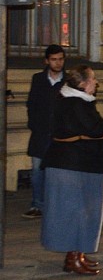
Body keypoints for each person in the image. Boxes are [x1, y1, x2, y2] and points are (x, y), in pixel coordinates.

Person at [40, 66, 103, 275]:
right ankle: (73, 258)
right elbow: (93, 129)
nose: (96, 83)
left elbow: (86, 128)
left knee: (82, 211)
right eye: (93, 79)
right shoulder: (75, 103)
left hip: (78, 164)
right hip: (75, 166)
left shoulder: (72, 100)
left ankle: (76, 256)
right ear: (82, 83)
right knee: (77, 212)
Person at [24, 44, 66, 219]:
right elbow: (32, 104)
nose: (58, 63)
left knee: (58, 172)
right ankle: (37, 204)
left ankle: (55, 206)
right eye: (54, 60)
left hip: (61, 135)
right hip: (40, 134)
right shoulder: (39, 79)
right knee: (37, 171)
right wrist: (34, 125)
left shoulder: (68, 80)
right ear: (47, 61)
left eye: (61, 59)